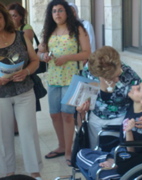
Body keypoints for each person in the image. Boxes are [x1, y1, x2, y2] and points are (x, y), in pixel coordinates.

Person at [37, 0, 91, 166]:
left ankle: (69, 150)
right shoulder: (49, 30)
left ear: (67, 12)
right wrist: (43, 56)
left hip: (72, 77)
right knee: (54, 114)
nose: (57, 14)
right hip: (53, 78)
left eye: (60, 10)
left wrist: (67, 57)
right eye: (54, 11)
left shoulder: (78, 29)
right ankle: (61, 146)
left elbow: (87, 53)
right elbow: (40, 51)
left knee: (68, 115)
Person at [76, 46, 142, 150]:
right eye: (112, 77)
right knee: (96, 155)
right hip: (95, 120)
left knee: (116, 155)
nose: (117, 79)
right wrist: (81, 109)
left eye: (118, 74)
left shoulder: (128, 74)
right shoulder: (89, 71)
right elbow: (78, 101)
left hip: (120, 122)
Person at [76, 81, 142, 180]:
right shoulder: (133, 106)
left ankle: (106, 166)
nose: (133, 87)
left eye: (138, 89)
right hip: (118, 153)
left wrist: (129, 131)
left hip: (128, 158)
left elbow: (132, 151)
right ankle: (106, 163)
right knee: (81, 154)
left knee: (97, 170)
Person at [0, 3, 42, 180]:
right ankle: (7, 173)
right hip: (1, 95)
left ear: (4, 17)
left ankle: (34, 173)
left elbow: (35, 60)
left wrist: (26, 71)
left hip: (24, 91)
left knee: (28, 132)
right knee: (3, 137)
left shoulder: (20, 36)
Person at [7, 2, 41, 136]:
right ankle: (15, 129)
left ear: (20, 17)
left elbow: (26, 50)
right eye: (9, 16)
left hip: (25, 69)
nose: (12, 18)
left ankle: (22, 128)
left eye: (15, 16)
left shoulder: (25, 30)